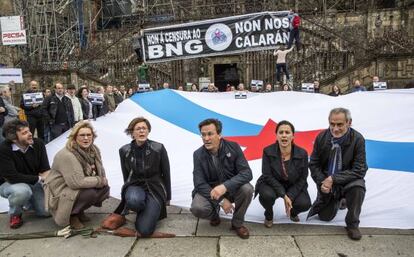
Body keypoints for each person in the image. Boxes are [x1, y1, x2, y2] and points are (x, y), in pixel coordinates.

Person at [308, 108, 367, 240]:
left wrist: (333, 179)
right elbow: (314, 164)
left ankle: (352, 224)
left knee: (358, 187)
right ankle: (339, 200)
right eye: (332, 124)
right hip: (327, 183)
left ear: (349, 122)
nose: (335, 129)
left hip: (348, 181)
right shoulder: (321, 137)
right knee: (325, 217)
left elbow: (360, 169)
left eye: (340, 124)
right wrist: (323, 181)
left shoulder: (358, 139)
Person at [190, 118, 253, 239]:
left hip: (231, 189)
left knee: (247, 189)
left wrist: (225, 187)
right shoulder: (197, 154)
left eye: (210, 134)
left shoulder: (233, 147)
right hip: (210, 192)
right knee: (197, 208)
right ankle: (214, 215)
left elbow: (247, 173)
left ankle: (237, 224)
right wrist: (221, 201)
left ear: (219, 135)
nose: (206, 138)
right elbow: (199, 183)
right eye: (203, 135)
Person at [109, 117, 171, 237]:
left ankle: (148, 210)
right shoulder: (124, 150)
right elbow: (125, 174)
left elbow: (166, 173)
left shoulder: (159, 148)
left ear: (148, 131)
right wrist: (127, 192)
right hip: (135, 186)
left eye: (144, 128)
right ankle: (139, 205)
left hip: (155, 188)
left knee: (145, 230)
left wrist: (168, 196)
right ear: (132, 132)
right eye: (138, 129)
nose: (141, 131)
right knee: (133, 200)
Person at [44, 121, 109, 229]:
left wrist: (102, 181)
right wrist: (99, 180)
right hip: (61, 189)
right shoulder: (68, 155)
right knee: (91, 193)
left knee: (104, 189)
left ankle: (79, 211)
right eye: (82, 135)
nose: (86, 138)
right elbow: (76, 183)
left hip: (76, 185)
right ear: (74, 137)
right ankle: (71, 215)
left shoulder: (94, 150)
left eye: (89, 135)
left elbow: (100, 170)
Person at [255, 120, 311, 227]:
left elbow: (303, 178)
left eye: (287, 132)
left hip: (293, 184)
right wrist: (284, 195)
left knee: (305, 204)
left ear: (293, 136)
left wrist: (290, 195)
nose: (284, 135)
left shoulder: (302, 153)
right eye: (281, 132)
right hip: (272, 183)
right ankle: (269, 214)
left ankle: (293, 213)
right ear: (276, 136)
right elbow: (267, 175)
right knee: (266, 196)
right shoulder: (267, 151)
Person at [0, 119, 50, 229]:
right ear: (13, 139)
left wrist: (47, 182)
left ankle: (29, 203)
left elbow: (45, 168)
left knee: (46, 212)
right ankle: (15, 214)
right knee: (22, 191)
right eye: (24, 133)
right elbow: (12, 177)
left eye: (29, 131)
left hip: (32, 181)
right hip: (8, 183)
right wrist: (39, 178)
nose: (30, 134)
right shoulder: (3, 149)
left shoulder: (38, 144)